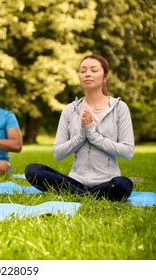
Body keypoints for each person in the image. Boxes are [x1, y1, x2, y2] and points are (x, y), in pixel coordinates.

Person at [25, 54, 134, 202]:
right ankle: (88, 196)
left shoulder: (119, 108)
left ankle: (77, 195)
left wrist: (93, 135)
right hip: (75, 181)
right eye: (83, 70)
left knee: (123, 184)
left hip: (108, 182)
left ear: (105, 77)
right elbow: (58, 153)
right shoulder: (70, 110)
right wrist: (81, 136)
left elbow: (128, 152)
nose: (87, 74)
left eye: (93, 70)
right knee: (32, 170)